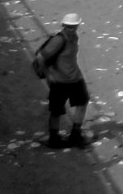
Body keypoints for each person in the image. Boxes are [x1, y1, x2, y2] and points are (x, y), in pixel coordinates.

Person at [35, 14, 90, 148]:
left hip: (75, 78)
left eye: (73, 27)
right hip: (59, 81)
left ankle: (75, 135)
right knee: (56, 110)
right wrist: (48, 75)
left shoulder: (74, 37)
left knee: (82, 103)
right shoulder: (58, 40)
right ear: (64, 26)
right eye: (68, 27)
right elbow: (41, 57)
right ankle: (54, 138)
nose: (71, 29)